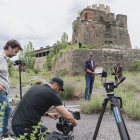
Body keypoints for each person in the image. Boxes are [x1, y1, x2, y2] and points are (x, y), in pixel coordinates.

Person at [11, 77, 77, 139]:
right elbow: (67, 116)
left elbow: (32, 107)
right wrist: (74, 121)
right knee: (48, 135)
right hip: (26, 128)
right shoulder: (52, 94)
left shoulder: (34, 87)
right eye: (59, 89)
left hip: (15, 126)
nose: (58, 92)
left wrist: (47, 114)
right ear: (56, 85)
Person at [0, 39, 23, 137]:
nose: (15, 54)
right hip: (0, 91)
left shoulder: (4, 58)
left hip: (3, 91)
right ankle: (4, 132)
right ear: (9, 47)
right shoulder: (0, 56)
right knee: (6, 110)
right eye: (15, 51)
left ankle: (4, 131)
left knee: (6, 110)